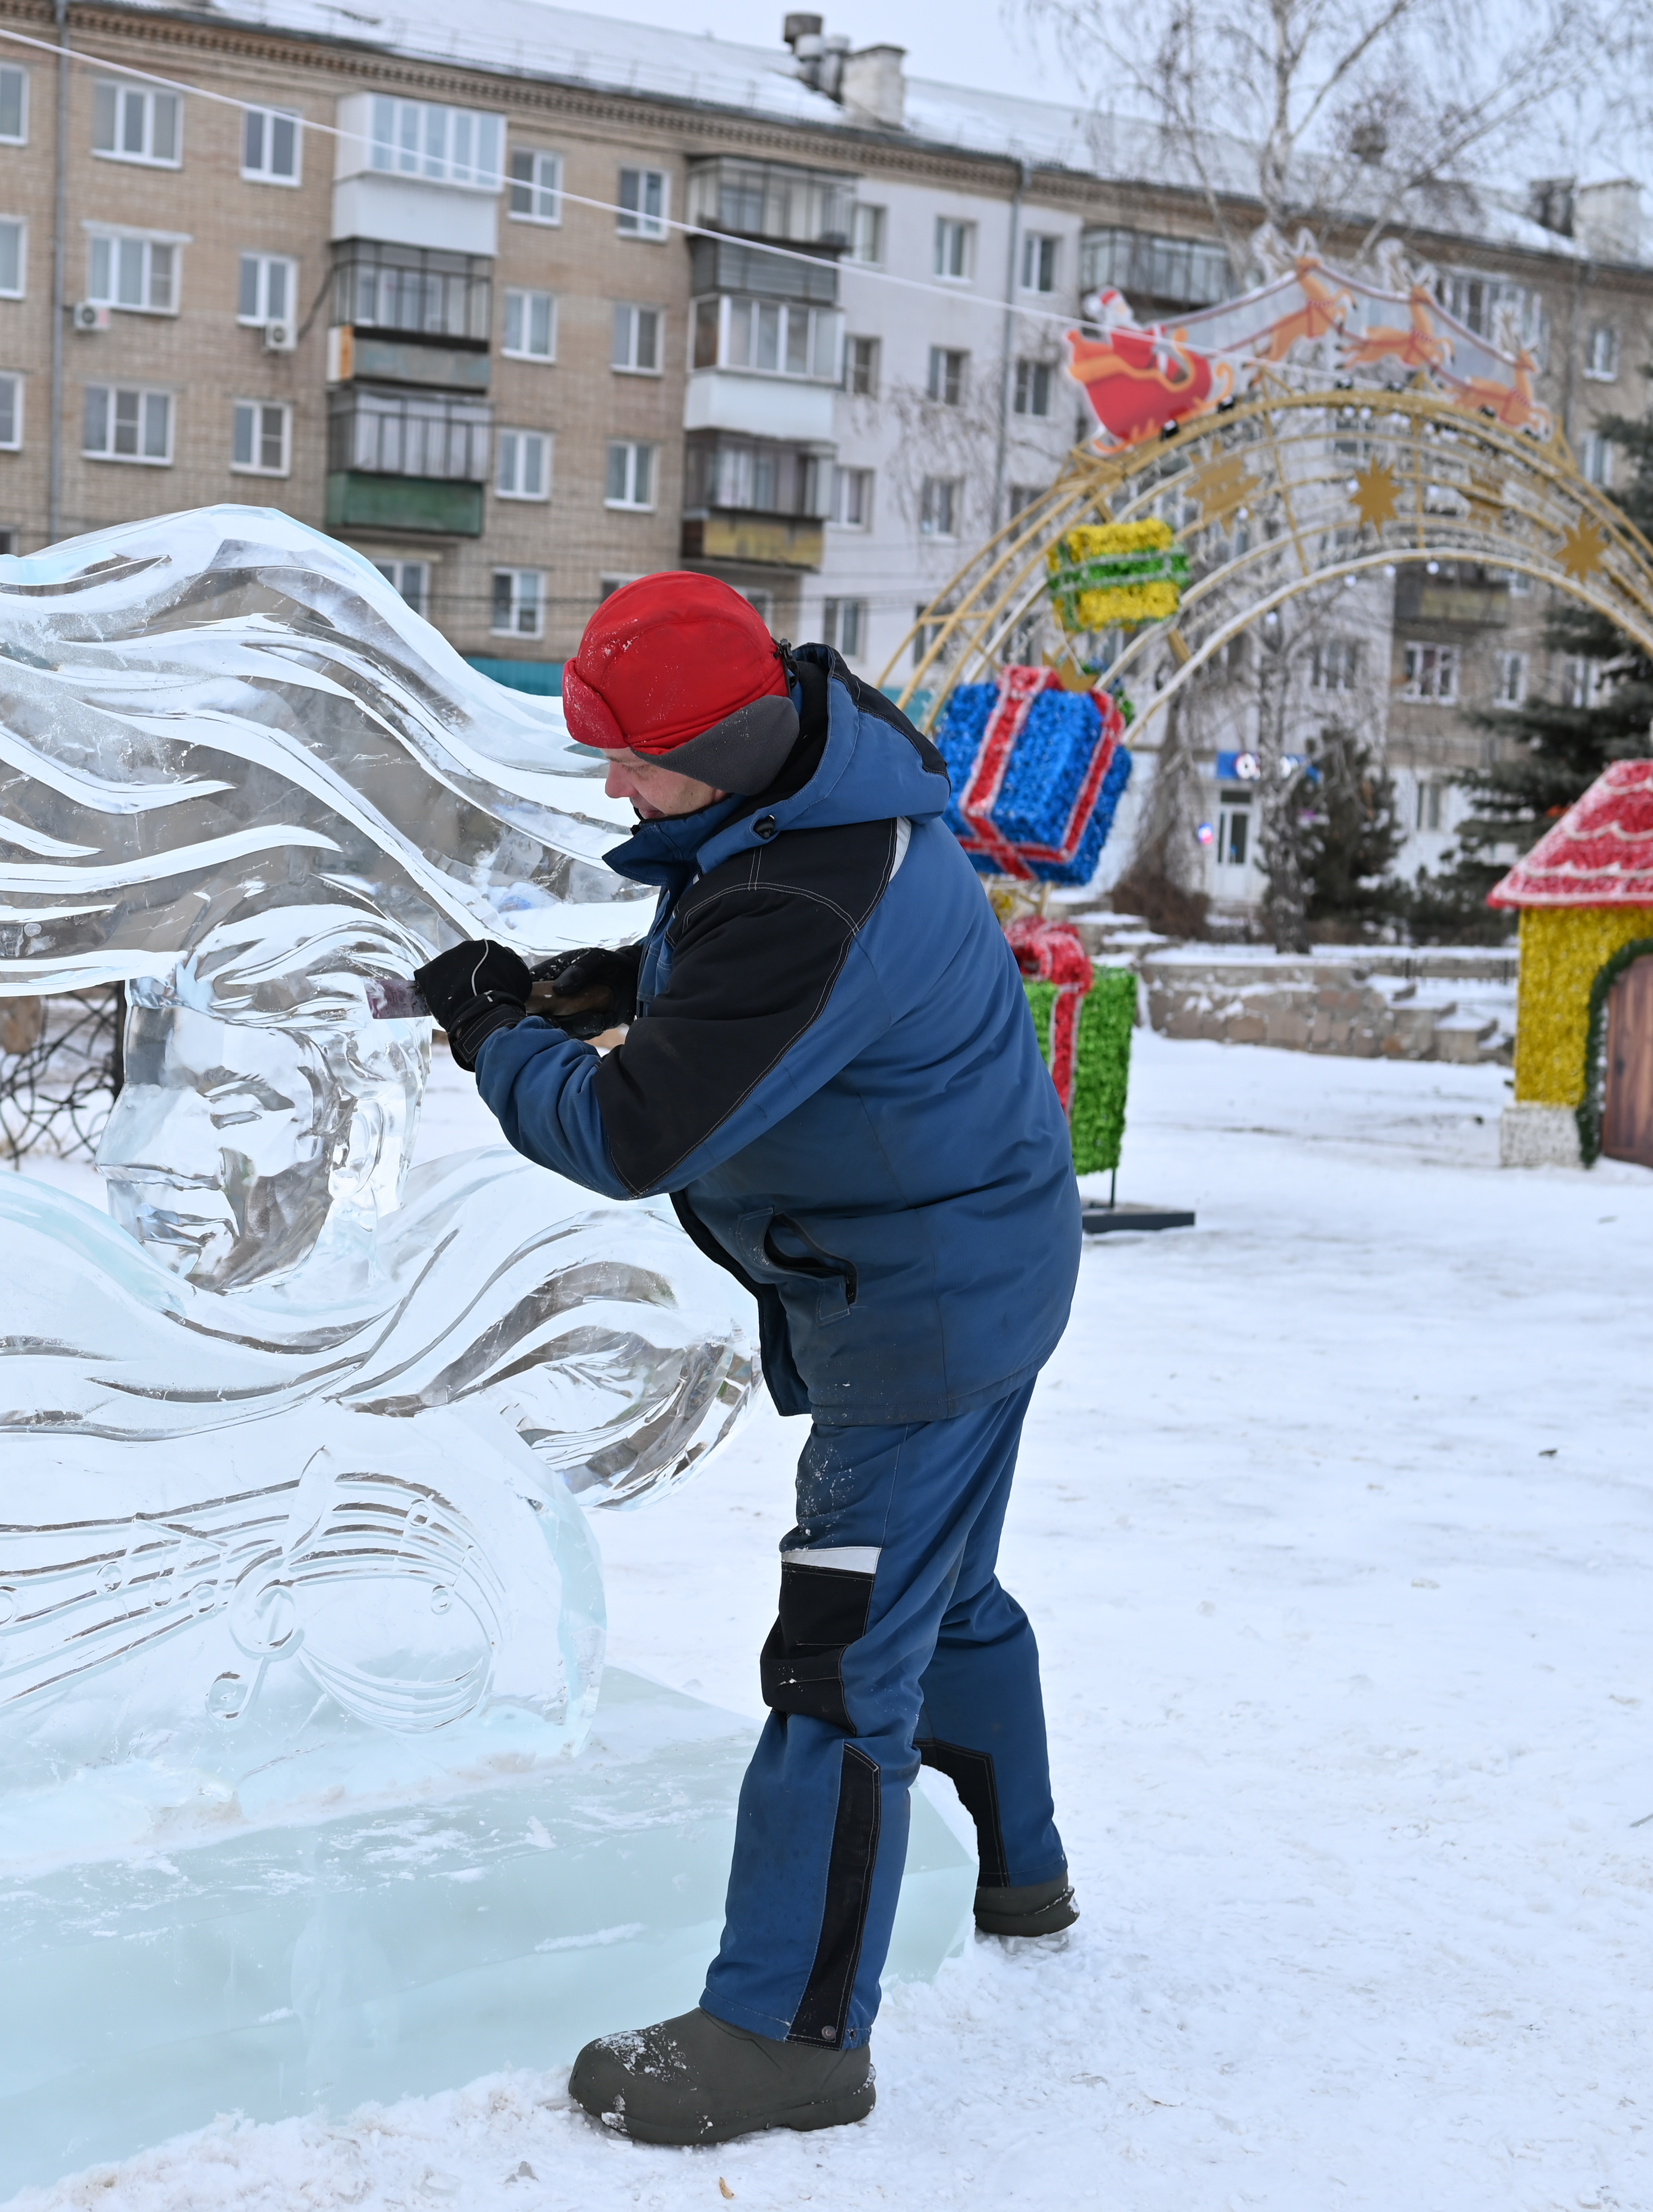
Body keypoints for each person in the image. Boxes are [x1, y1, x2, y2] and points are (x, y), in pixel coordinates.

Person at [411, 572, 1085, 2146]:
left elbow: (638, 1128)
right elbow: (744, 975)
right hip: (987, 1257)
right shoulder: (813, 798)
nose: (611, 787)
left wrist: (497, 1040)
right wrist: (606, 986)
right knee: (951, 1593)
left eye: (632, 761)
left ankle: (790, 2034)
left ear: (721, 747)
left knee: (843, 1660)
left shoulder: (805, 895)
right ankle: (1023, 1871)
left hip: (921, 1313)